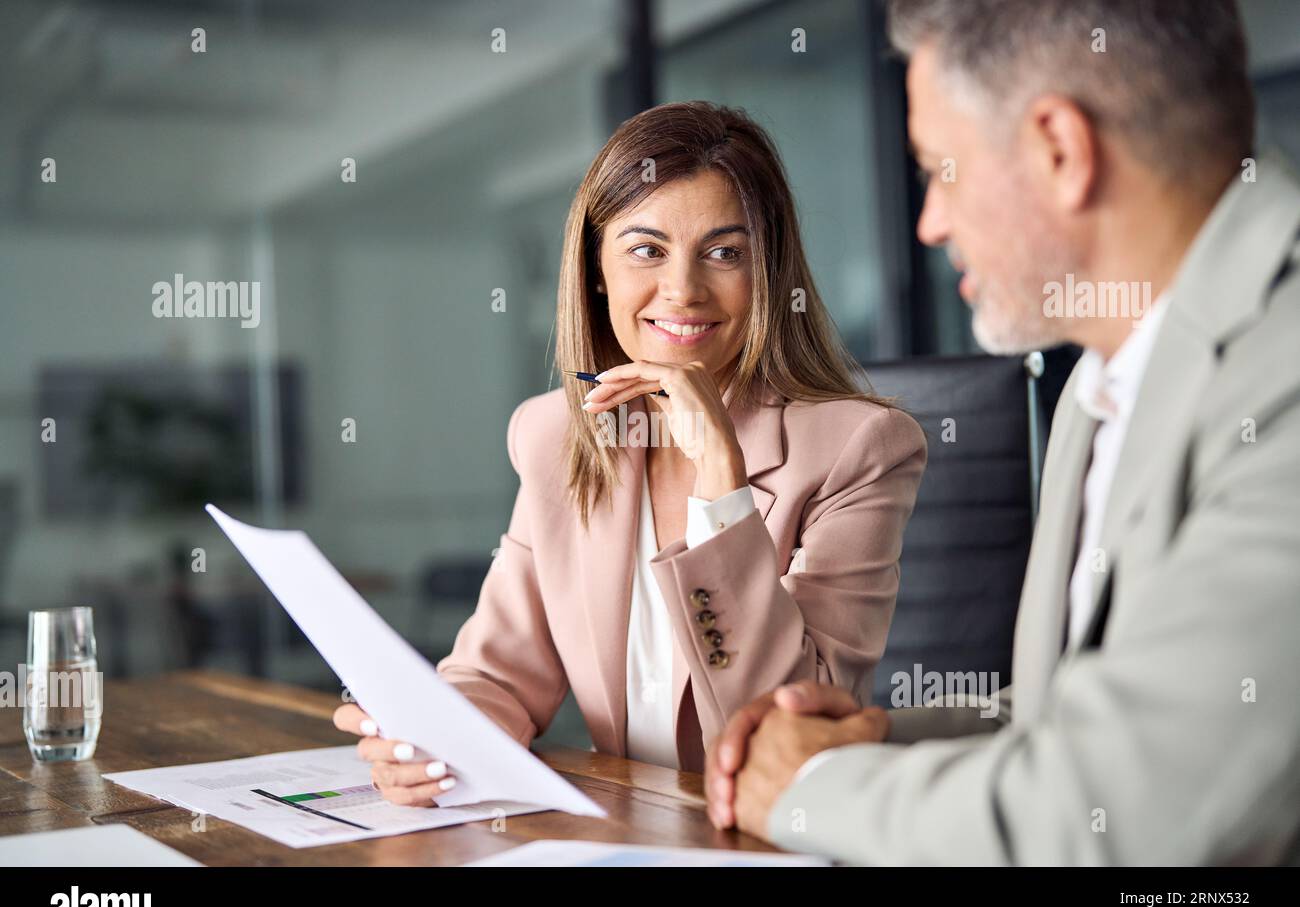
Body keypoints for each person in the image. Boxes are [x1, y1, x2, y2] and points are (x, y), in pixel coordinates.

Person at [708, 0, 1300, 864]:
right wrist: (877, 742)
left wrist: (811, 790)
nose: (930, 225)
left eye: (940, 172)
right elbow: (1072, 717)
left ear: (1061, 150)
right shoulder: (1101, 382)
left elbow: (1128, 813)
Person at [333, 101, 927, 802]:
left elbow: (792, 728)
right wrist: (435, 735)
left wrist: (722, 482)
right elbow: (500, 675)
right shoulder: (556, 436)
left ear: (767, 273)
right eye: (647, 249)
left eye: (725, 253)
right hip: (627, 832)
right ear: (595, 271)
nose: (683, 290)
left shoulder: (858, 448)